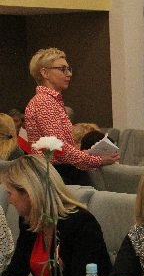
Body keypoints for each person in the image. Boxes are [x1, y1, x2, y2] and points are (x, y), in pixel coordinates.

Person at [0, 155, 111, 276]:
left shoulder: (81, 223)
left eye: (10, 193)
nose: (9, 200)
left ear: (29, 194)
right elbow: (15, 273)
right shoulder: (29, 221)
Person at [24, 48, 119, 185]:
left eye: (69, 69)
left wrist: (85, 154)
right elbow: (59, 149)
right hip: (57, 175)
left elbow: (61, 148)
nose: (69, 74)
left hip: (55, 171)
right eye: (62, 69)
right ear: (45, 73)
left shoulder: (48, 101)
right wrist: (97, 160)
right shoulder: (44, 102)